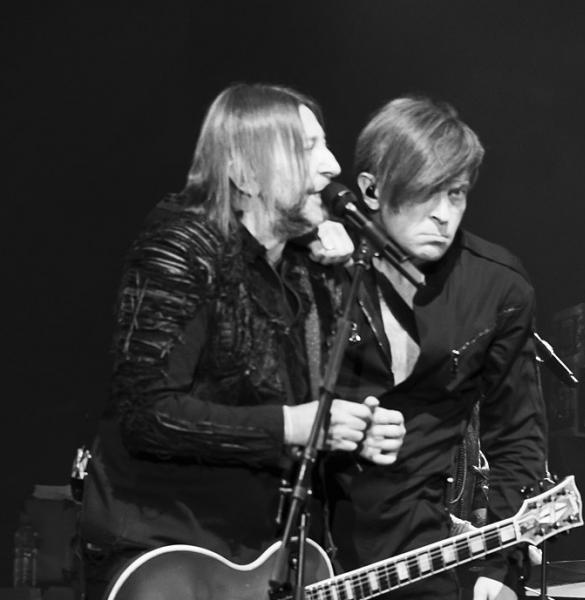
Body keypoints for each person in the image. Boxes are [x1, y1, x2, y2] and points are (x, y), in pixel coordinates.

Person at [78, 83, 405, 599]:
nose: (332, 166)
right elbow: (147, 414)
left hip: (259, 559)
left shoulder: (305, 271)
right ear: (245, 174)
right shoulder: (184, 246)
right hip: (167, 555)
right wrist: (292, 425)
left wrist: (350, 433)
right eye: (307, 148)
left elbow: (299, 415)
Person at [319, 96, 548, 600]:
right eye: (426, 192)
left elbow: (517, 434)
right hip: (298, 538)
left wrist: (502, 566)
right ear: (371, 190)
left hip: (413, 553)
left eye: (457, 193)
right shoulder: (319, 266)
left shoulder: (498, 286)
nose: (444, 215)